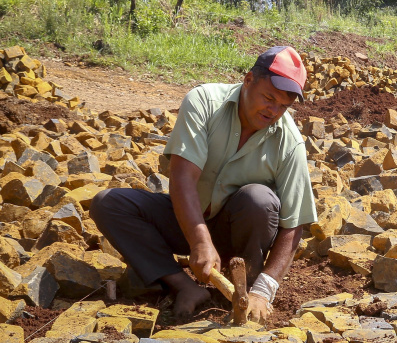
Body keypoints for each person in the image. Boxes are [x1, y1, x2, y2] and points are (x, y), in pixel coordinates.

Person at [90, 46, 317, 323]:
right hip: (186, 221)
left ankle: (245, 287)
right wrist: (199, 241)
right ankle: (183, 286)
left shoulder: (288, 141)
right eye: (269, 98)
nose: (274, 111)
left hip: (235, 236)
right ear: (248, 80)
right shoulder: (205, 102)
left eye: (283, 106)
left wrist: (265, 289)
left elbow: (294, 224)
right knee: (109, 204)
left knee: (260, 199)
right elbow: (183, 177)